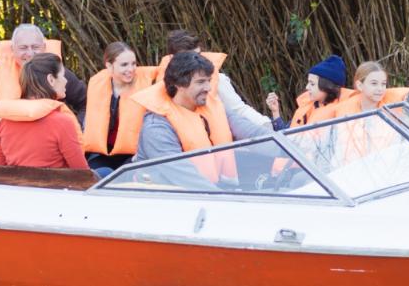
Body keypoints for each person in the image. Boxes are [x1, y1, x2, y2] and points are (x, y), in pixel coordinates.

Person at [132, 51, 269, 189]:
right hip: (168, 199)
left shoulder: (210, 105)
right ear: (178, 84)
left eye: (208, 81)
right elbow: (184, 177)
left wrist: (287, 146)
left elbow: (251, 131)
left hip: (210, 192)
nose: (208, 88)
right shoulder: (156, 126)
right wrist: (227, 201)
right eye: (200, 82)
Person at [0, 53, 89, 171]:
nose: (66, 81)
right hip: (56, 187)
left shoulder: (4, 122)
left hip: (19, 187)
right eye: (62, 76)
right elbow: (81, 172)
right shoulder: (63, 122)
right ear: (51, 79)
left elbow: (1, 168)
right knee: (105, 171)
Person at [154, 30, 272, 131]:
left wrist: (265, 126)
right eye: (188, 57)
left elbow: (238, 110)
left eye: (198, 55)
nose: (196, 61)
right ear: (172, 58)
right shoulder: (158, 88)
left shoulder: (217, 80)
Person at [0, 24, 88, 118]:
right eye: (23, 48)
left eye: (35, 47)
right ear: (12, 49)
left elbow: (86, 103)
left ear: (44, 47)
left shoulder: (56, 72)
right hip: (11, 140)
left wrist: (77, 129)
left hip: (52, 137)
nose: (30, 54)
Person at [83, 41, 158, 172]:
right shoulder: (97, 84)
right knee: (95, 176)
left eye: (134, 64)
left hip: (135, 154)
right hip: (103, 153)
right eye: (124, 65)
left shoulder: (148, 85)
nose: (131, 69)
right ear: (109, 66)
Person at [266, 55, 351, 130]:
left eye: (312, 83)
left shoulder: (345, 112)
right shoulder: (309, 107)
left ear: (327, 85)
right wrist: (275, 112)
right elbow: (285, 138)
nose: (307, 87)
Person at [332, 61, 409, 115]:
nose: (380, 89)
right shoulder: (345, 113)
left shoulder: (398, 105)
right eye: (374, 83)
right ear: (360, 85)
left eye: (383, 84)